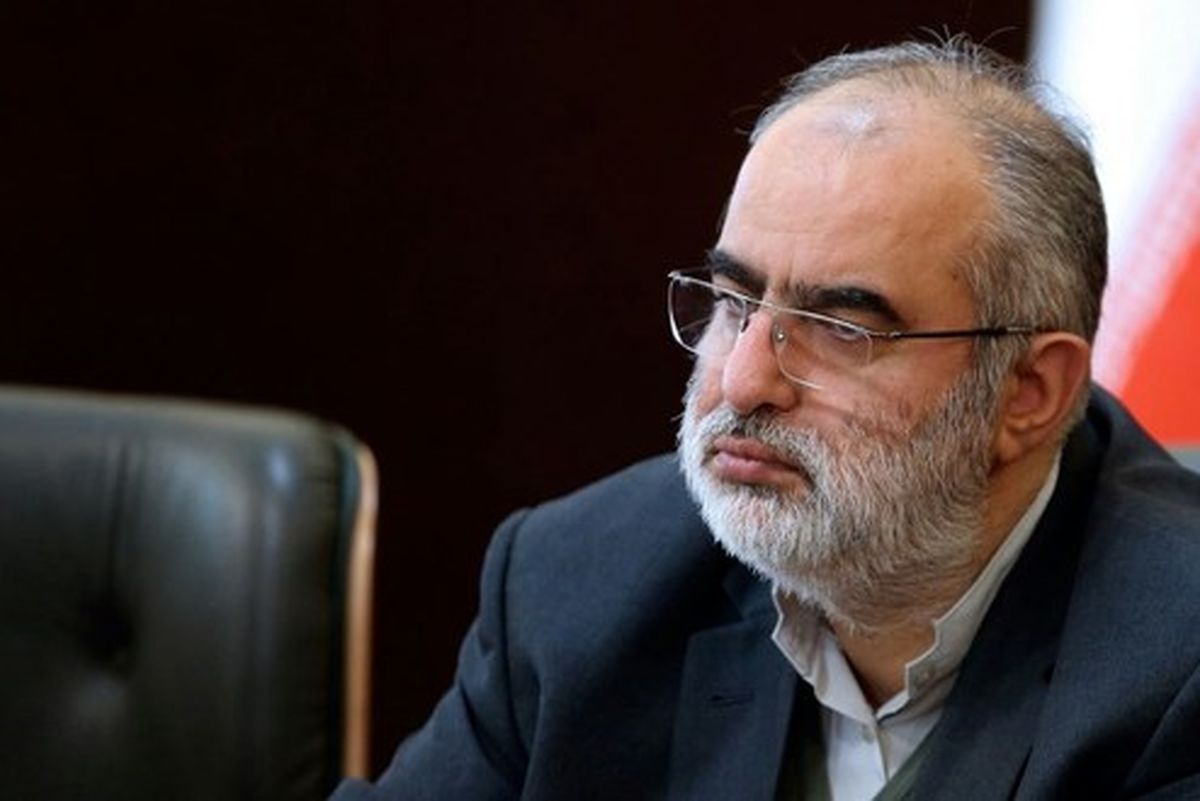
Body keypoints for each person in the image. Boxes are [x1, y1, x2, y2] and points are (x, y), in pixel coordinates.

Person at [332, 36, 1200, 800]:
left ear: (1028, 392)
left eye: (841, 328)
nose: (744, 381)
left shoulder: (1176, 663)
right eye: (733, 301)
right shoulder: (578, 586)